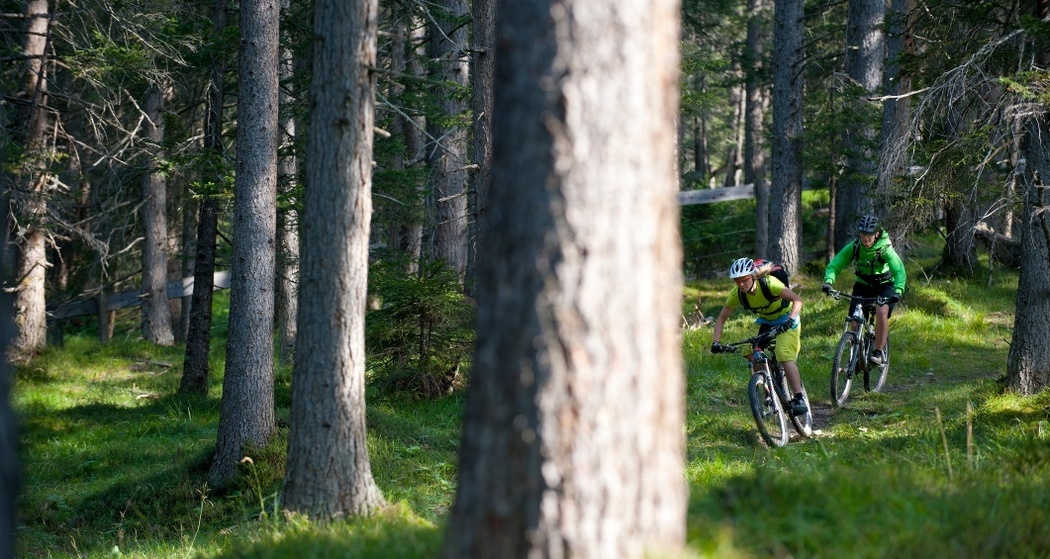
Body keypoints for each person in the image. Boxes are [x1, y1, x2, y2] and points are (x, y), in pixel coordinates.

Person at [710, 257, 808, 416]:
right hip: (765, 320)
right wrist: (716, 342)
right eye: (737, 281)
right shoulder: (737, 294)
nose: (741, 284)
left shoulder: (769, 283)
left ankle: (799, 397)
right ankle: (768, 388)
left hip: (786, 317)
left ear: (753, 277)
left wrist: (790, 320)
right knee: (748, 349)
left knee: (783, 352)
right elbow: (721, 318)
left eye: (744, 280)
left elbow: (797, 300)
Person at [821, 214, 906, 365]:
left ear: (877, 234)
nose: (865, 238)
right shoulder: (855, 247)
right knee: (854, 320)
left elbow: (899, 271)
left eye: (869, 235)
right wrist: (828, 282)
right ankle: (855, 356)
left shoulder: (885, 249)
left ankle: (878, 352)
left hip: (884, 285)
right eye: (862, 234)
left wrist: (898, 291)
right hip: (863, 285)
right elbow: (835, 265)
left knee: (881, 312)